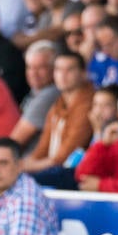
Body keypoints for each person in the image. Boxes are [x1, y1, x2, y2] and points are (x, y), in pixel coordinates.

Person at [22, 49, 95, 190]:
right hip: (51, 169)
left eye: (70, 70)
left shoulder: (88, 103)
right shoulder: (58, 103)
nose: (63, 75)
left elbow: (65, 155)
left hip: (71, 173)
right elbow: (42, 147)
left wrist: (26, 166)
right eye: (58, 70)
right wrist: (25, 164)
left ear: (83, 73)